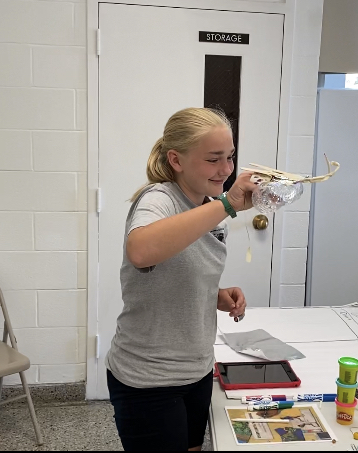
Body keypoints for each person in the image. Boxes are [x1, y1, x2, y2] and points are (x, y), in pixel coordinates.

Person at [106, 108, 256, 451]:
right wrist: (228, 204)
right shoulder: (158, 198)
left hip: (197, 369)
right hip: (149, 378)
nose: (227, 169)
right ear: (176, 159)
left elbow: (175, 270)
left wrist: (214, 294)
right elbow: (142, 252)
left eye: (230, 157)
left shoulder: (208, 206)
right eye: (214, 159)